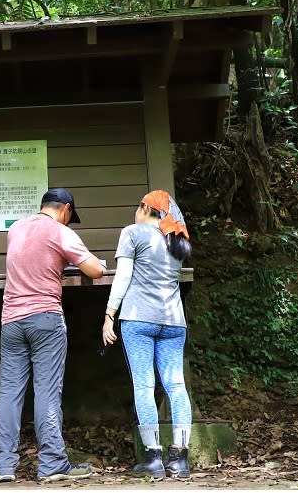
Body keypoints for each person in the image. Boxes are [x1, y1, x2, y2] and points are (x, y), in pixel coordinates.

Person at [0, 188, 105, 483]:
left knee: (9, 392)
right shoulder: (59, 232)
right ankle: (52, 463)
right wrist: (99, 263)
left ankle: (4, 466)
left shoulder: (16, 228)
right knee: (46, 392)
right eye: (70, 217)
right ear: (65, 209)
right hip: (45, 320)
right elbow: (93, 270)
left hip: (11, 322)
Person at [101, 190, 193, 480]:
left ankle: (153, 457)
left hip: (138, 319)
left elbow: (123, 277)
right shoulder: (177, 239)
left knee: (144, 386)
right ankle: (180, 459)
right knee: (176, 386)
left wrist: (109, 315)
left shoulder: (133, 233)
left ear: (145, 209)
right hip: (174, 322)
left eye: (137, 207)